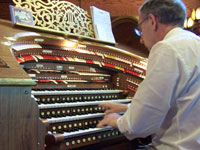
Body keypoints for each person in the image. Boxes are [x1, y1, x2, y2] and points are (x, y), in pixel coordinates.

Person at [97, 0, 200, 149]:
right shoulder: (194, 42)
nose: (141, 38)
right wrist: (128, 108)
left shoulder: (167, 48)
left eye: (140, 29)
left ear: (152, 21)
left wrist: (116, 120)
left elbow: (139, 126)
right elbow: (180, 102)